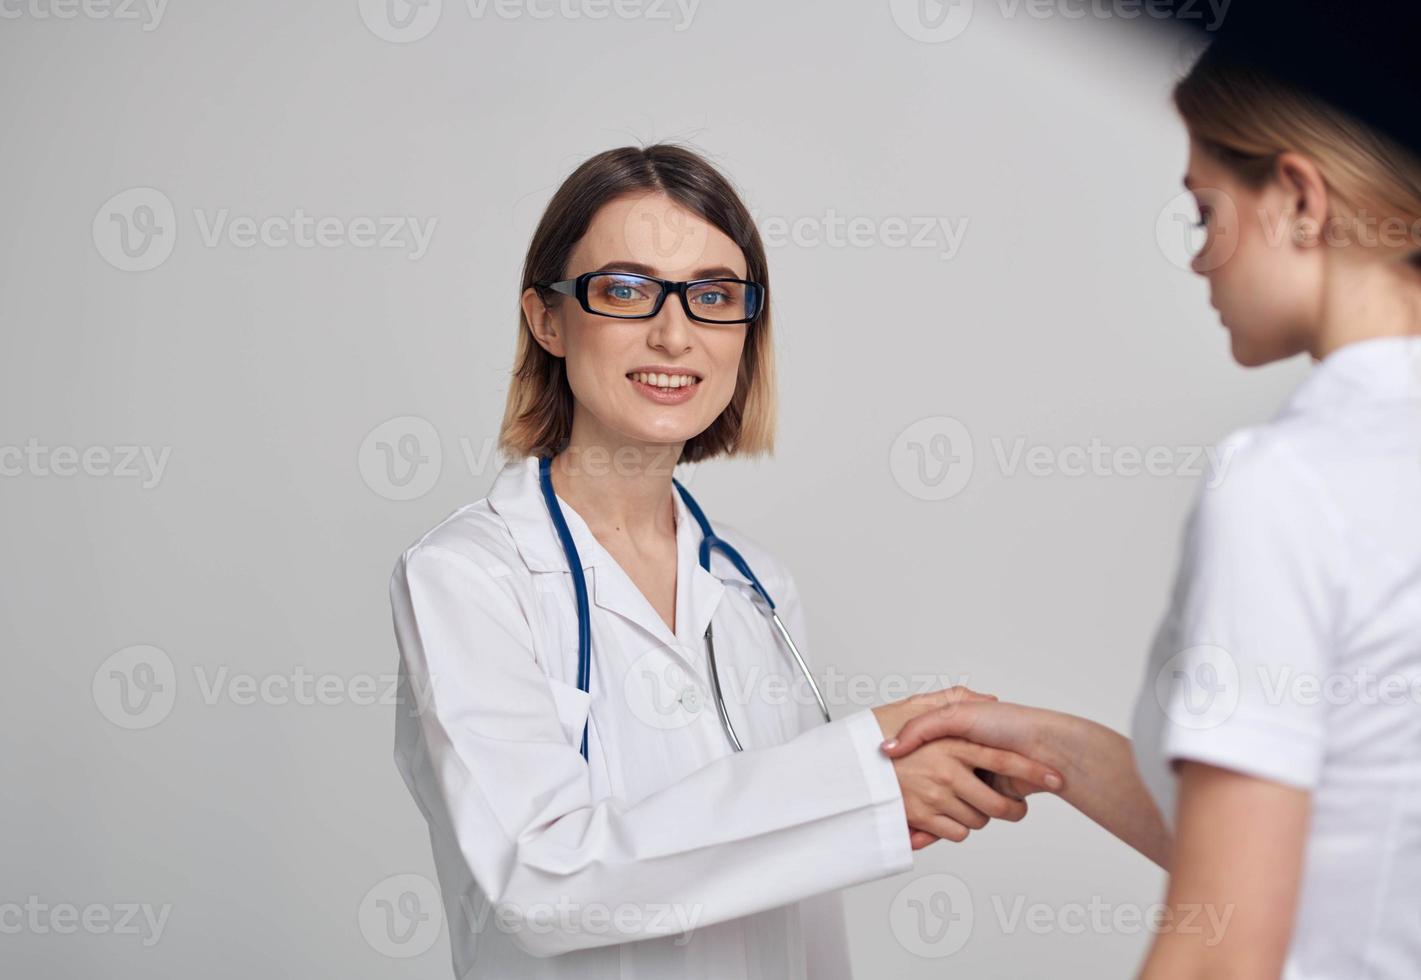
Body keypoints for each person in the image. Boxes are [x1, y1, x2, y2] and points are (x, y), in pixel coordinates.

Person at [388, 143, 1064, 979]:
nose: (674, 335)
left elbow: (792, 896)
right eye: (628, 291)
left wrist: (887, 781)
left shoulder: (755, 585)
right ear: (547, 319)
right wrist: (860, 771)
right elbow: (541, 883)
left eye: (712, 296)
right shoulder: (466, 578)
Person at [884, 45, 1421, 978]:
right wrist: (1059, 748)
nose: (1197, 257)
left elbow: (1226, 949)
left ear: (1299, 197)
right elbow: (1332, 833)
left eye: (1205, 210)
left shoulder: (1286, 481)